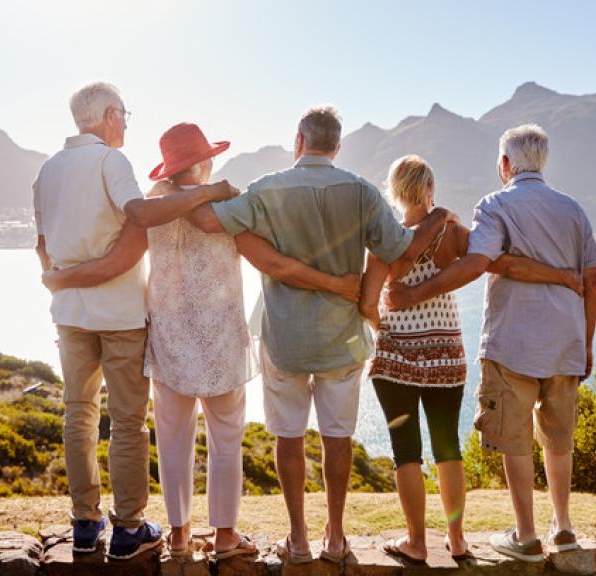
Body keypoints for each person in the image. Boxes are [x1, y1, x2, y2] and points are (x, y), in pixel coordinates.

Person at [42, 122, 360, 560]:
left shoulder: (153, 203)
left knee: (173, 441)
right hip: (221, 341)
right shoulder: (227, 203)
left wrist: (62, 276)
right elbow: (263, 255)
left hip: (170, 338)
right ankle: (226, 536)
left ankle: (177, 535)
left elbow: (127, 255)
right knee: (226, 440)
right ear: (206, 160)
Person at [187, 105, 458, 564]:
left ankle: (298, 538)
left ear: (299, 140)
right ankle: (335, 536)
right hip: (343, 338)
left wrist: (203, 189)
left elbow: (210, 222)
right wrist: (369, 298)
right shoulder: (362, 191)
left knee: (288, 438)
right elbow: (398, 252)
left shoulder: (267, 189)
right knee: (337, 439)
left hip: (285, 337)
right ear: (337, 145)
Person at [32, 82, 238, 560]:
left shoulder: (47, 170)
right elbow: (141, 214)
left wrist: (60, 279)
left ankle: (85, 523)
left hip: (69, 315)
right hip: (120, 313)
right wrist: (211, 190)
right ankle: (128, 528)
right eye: (123, 113)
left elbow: (42, 245)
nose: (126, 121)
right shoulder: (110, 161)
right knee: (126, 422)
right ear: (107, 114)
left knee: (77, 414)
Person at [386, 125, 596, 563]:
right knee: (559, 440)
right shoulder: (573, 210)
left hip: (511, 343)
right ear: (541, 160)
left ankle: (525, 535)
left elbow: (480, 263)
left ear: (505, 164)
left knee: (515, 438)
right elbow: (592, 281)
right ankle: (562, 527)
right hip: (566, 343)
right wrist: (588, 342)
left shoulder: (495, 205)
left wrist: (411, 295)